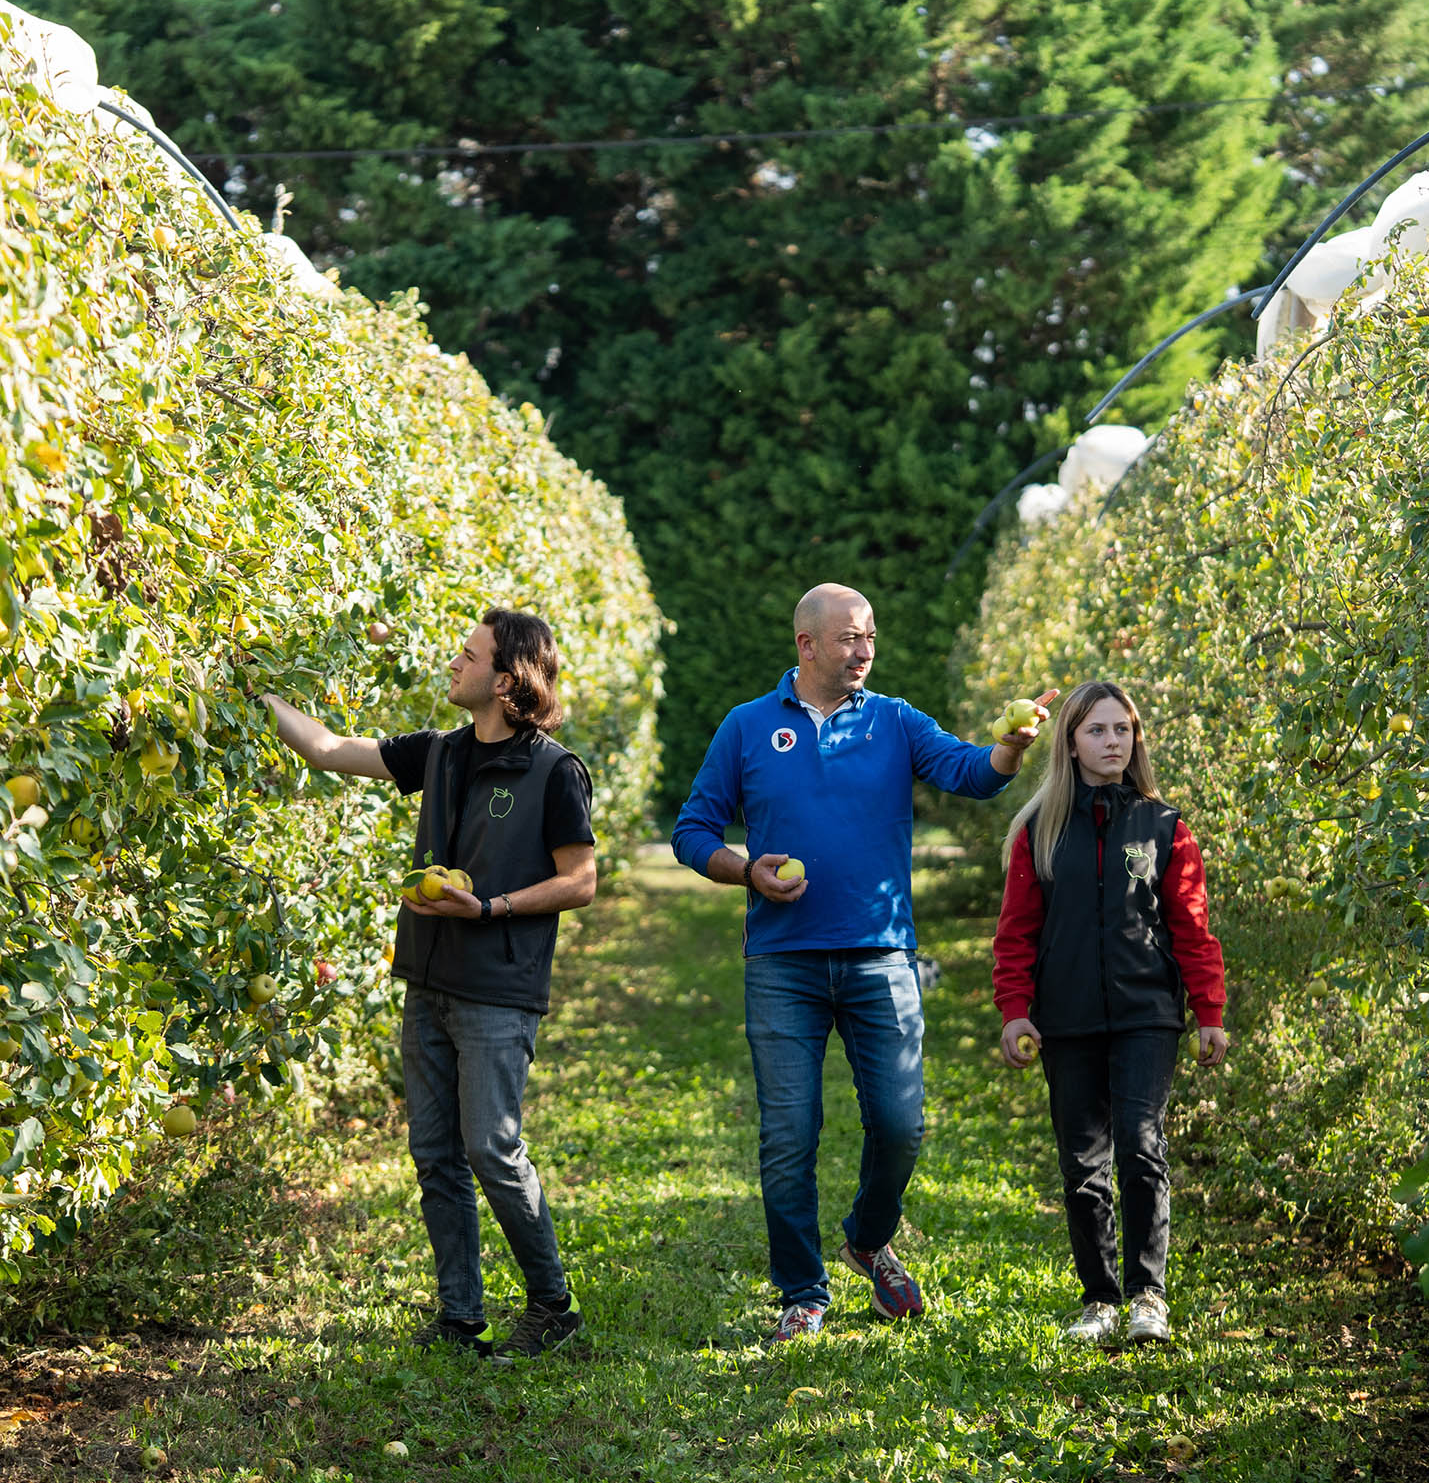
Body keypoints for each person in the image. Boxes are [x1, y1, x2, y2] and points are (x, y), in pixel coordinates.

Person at [671, 582, 1054, 1342]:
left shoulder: (895, 719)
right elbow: (692, 830)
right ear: (806, 644)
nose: (865, 649)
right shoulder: (747, 727)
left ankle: (868, 1237)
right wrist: (747, 871)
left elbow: (971, 772)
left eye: (871, 635)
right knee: (790, 1133)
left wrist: (1011, 745)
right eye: (850, 636)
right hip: (784, 962)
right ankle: (802, 1289)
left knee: (900, 1122)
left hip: (883, 952)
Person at [261, 609, 596, 1362]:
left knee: (492, 1150)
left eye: (467, 655)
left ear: (505, 680)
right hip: (429, 980)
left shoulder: (553, 769)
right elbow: (327, 750)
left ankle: (553, 1302)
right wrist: (255, 693)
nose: (454, 663)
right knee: (435, 1154)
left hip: (498, 990)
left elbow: (581, 880)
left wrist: (489, 906)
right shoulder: (438, 753)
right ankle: (460, 1314)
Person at [990, 679, 1228, 1346]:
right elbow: (1015, 934)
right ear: (1071, 741)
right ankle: (1100, 1301)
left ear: (1136, 739)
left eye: (1122, 729)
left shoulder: (1164, 826)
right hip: (1064, 1020)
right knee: (1082, 1162)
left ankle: (1148, 1295)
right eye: (1097, 730)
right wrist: (1016, 1010)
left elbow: (1191, 927)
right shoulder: (1038, 830)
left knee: (1141, 1147)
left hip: (1147, 1013)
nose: (1112, 741)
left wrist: (1208, 1008)